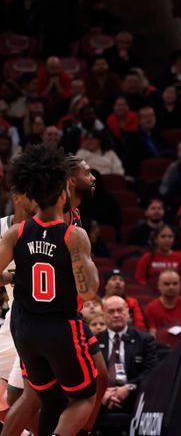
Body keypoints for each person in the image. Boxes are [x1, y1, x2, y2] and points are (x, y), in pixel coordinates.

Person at [0, 145, 100, 436]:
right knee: (84, 397)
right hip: (61, 327)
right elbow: (89, 291)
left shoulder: (15, 232)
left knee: (47, 398)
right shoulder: (74, 235)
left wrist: (11, 277)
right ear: (62, 193)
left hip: (27, 328)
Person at [0, 189, 39, 408]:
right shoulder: (1, 228)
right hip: (13, 317)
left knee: (19, 398)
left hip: (38, 319)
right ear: (16, 196)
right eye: (33, 192)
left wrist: (11, 276)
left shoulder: (45, 231)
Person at [95, 296, 158, 424]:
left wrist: (129, 387)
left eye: (120, 310)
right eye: (111, 311)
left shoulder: (144, 340)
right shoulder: (94, 341)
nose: (116, 315)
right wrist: (101, 394)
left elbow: (151, 371)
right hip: (99, 399)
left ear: (127, 312)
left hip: (134, 397)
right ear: (103, 314)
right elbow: (87, 372)